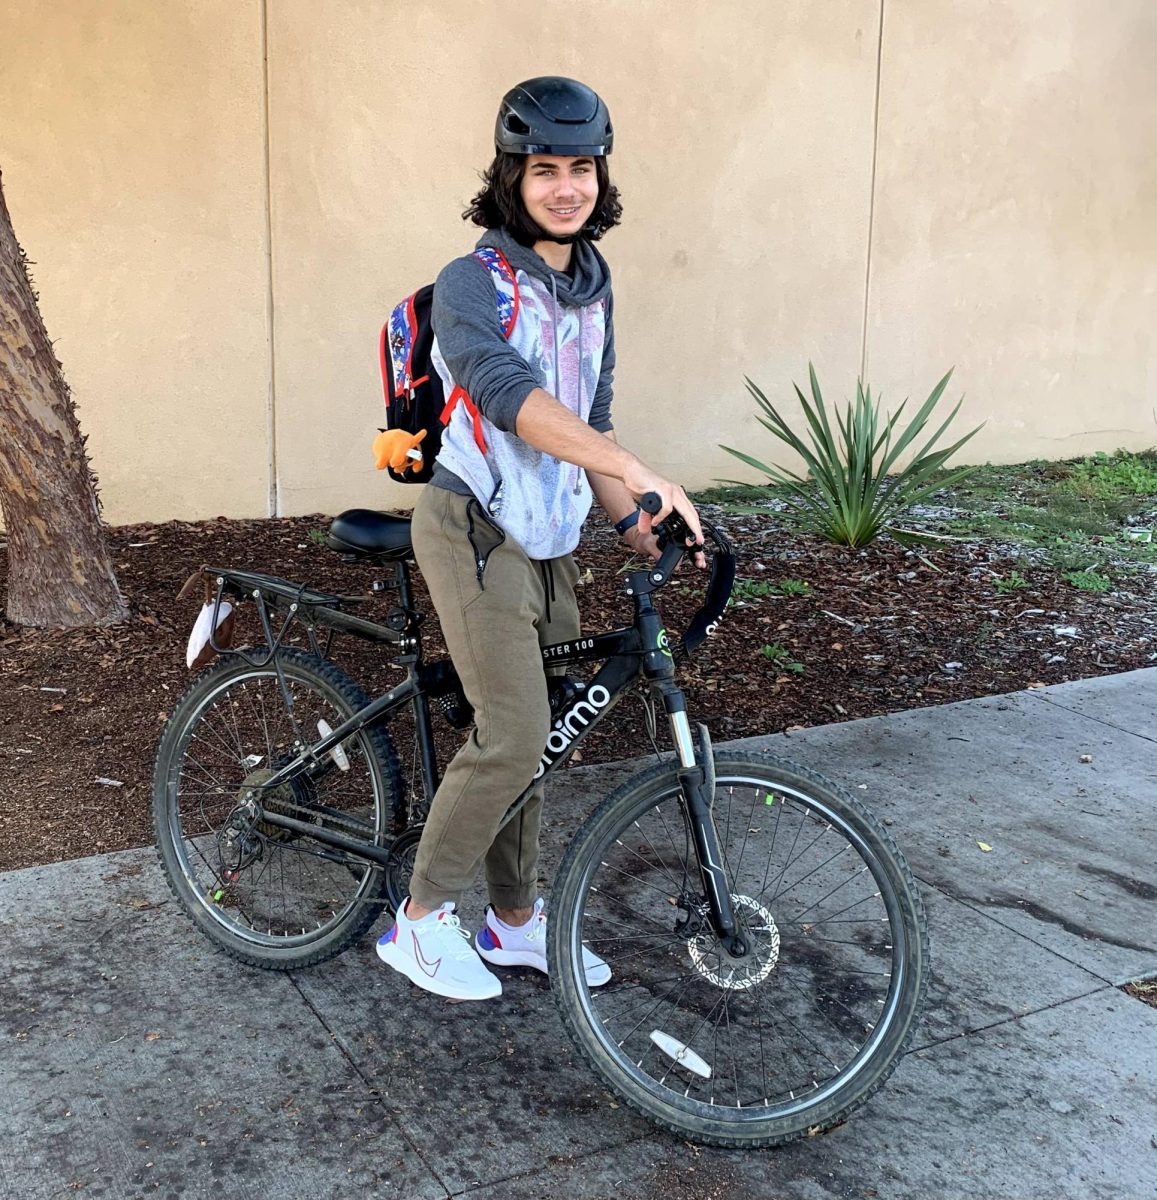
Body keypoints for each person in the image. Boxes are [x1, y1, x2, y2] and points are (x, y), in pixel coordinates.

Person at [376, 76, 705, 1001]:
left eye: (582, 167)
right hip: (471, 525)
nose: (566, 187)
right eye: (545, 169)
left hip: (547, 540)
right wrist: (637, 467)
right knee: (516, 735)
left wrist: (627, 517)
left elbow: (585, 421)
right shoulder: (472, 282)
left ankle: (512, 922)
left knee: (533, 743)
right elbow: (506, 396)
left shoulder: (593, 291)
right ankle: (420, 920)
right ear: (510, 177)